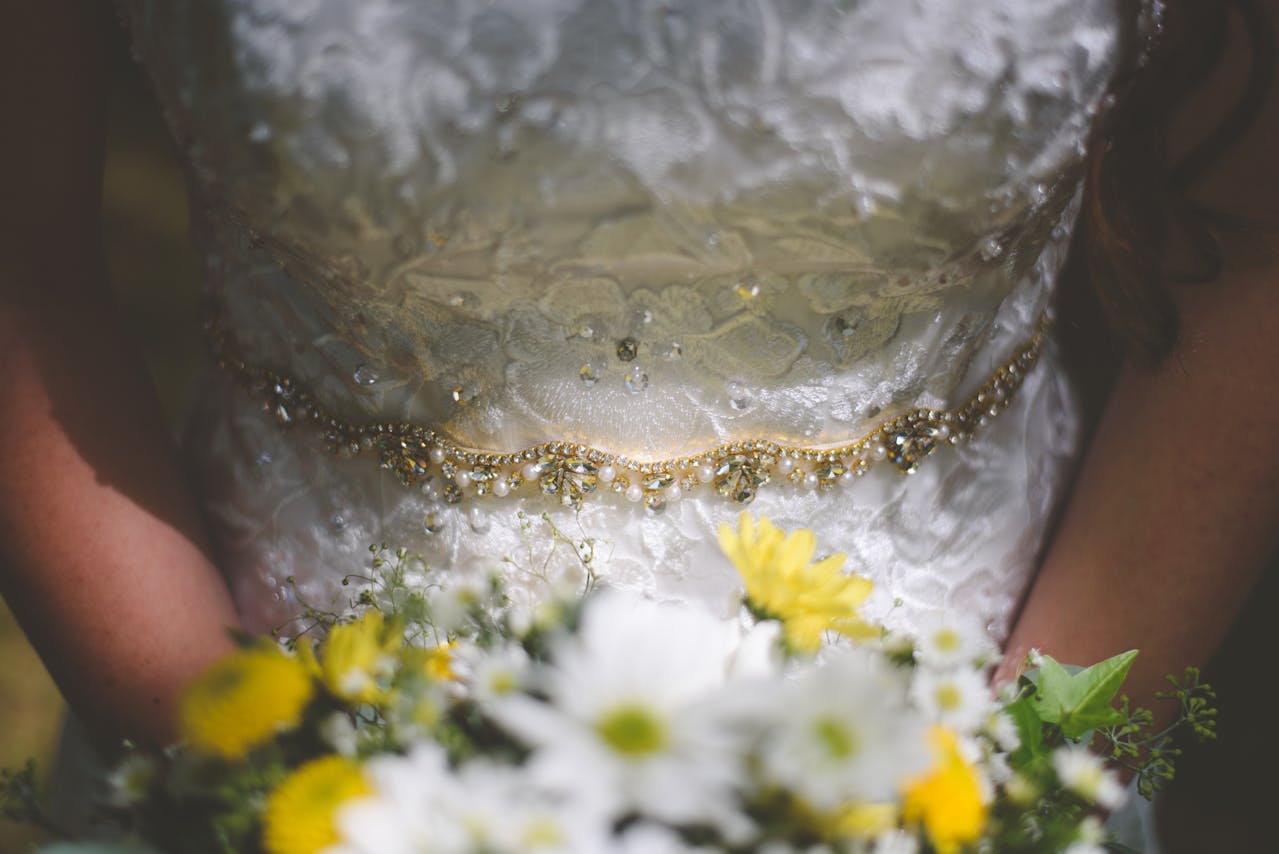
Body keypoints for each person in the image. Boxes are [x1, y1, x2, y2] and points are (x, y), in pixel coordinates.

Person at [1, 1, 1276, 847]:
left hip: (972, 751)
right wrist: (244, 773)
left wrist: (1022, 793)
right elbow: (24, 261)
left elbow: (1251, 247)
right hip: (267, 741)